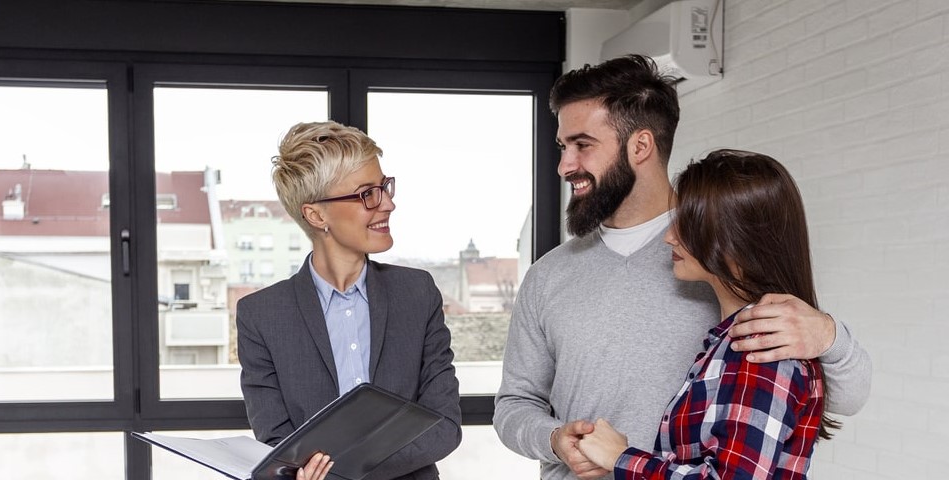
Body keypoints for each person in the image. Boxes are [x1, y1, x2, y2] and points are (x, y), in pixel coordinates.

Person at [493, 55, 872, 480]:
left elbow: (837, 399)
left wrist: (830, 337)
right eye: (564, 147)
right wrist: (554, 438)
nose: (565, 165)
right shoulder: (547, 276)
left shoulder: (719, 255)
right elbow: (513, 406)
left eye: (582, 145)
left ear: (640, 146)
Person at [575, 149, 834, 478]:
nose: (669, 237)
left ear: (735, 238)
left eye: (688, 223)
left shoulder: (763, 348)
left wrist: (621, 457)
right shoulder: (730, 338)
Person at [237, 121, 462, 480]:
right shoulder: (261, 315)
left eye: (385, 187)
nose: (388, 203)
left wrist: (338, 470)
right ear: (316, 215)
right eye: (366, 194)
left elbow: (444, 426)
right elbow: (276, 442)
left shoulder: (417, 293)